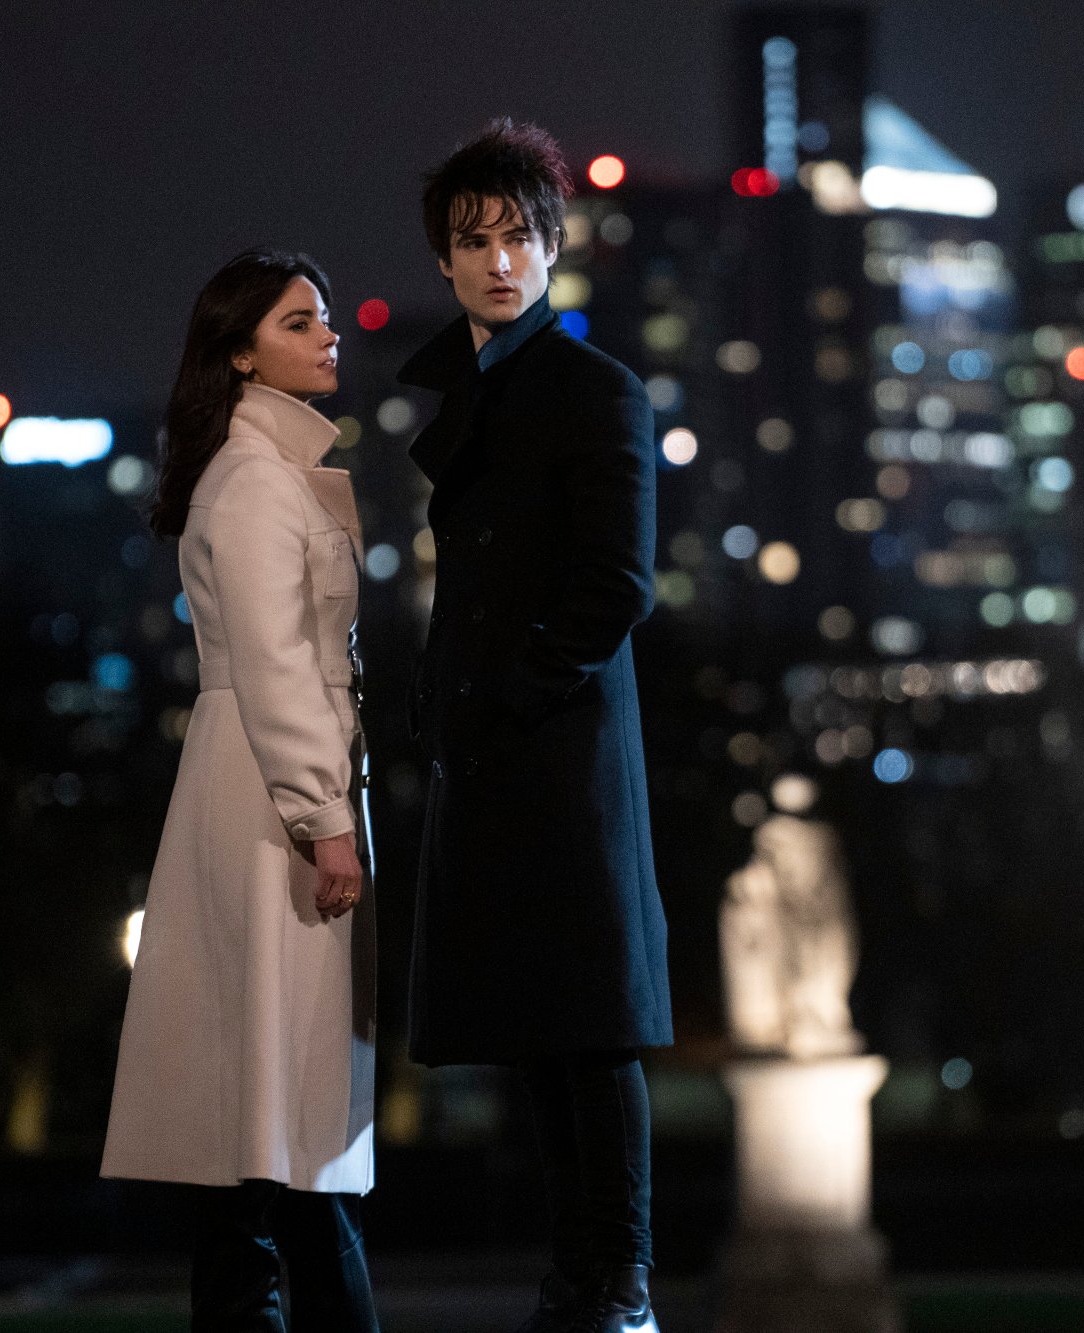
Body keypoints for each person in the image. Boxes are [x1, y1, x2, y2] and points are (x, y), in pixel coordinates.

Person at [398, 119, 672, 1333]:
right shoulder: (471, 392)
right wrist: (439, 697)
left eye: (520, 236)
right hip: (493, 747)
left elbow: (618, 582)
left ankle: (616, 1281)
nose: (499, 260)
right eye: (474, 240)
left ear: (555, 248)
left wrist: (511, 692)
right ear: (443, 262)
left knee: (590, 1028)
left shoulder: (597, 390)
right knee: (533, 1027)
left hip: (561, 745)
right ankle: (576, 1278)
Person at [102, 248, 379, 1332]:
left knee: (255, 1142)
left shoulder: (250, 471)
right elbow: (278, 665)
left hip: (251, 785)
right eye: (300, 321)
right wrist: (327, 821)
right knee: (286, 1136)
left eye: (323, 319)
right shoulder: (256, 481)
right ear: (240, 349)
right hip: (272, 803)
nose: (329, 335)